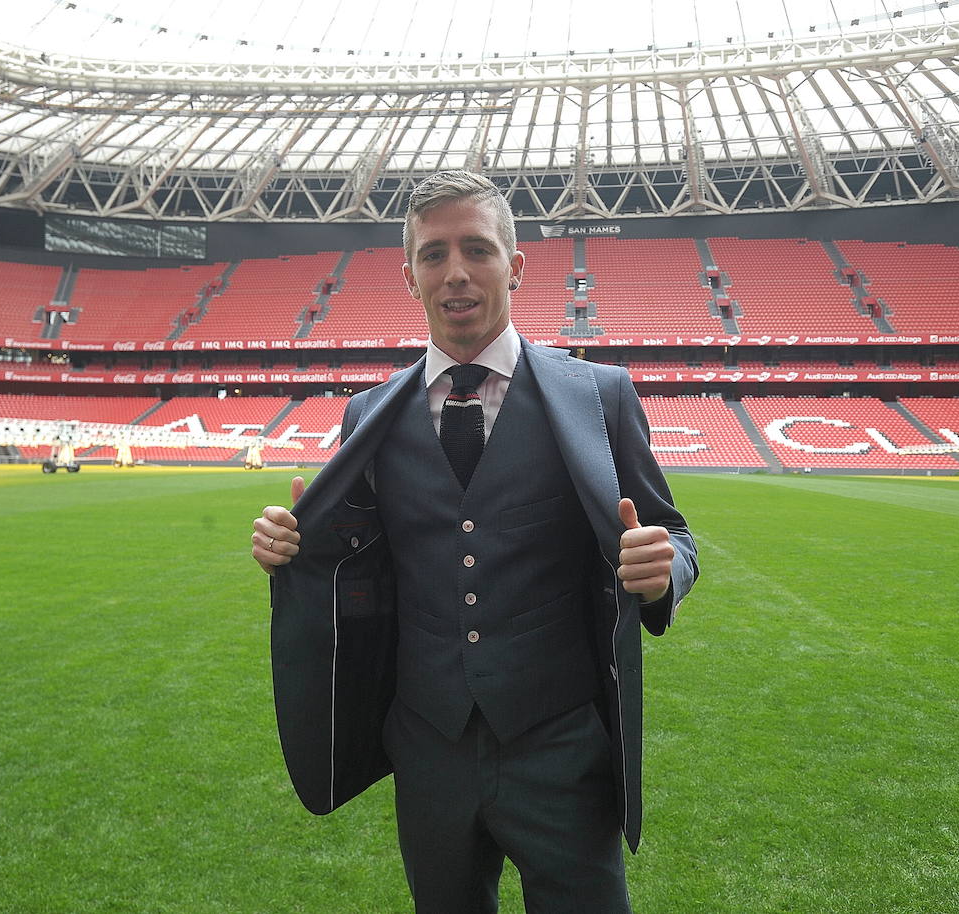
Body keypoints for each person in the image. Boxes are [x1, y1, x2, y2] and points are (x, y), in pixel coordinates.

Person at [251, 170, 697, 913]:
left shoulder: (600, 396)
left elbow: (674, 535)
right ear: (409, 276)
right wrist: (287, 546)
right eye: (433, 254)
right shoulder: (368, 417)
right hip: (428, 748)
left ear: (515, 265)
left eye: (477, 250)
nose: (455, 272)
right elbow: (351, 559)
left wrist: (663, 570)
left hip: (561, 746)